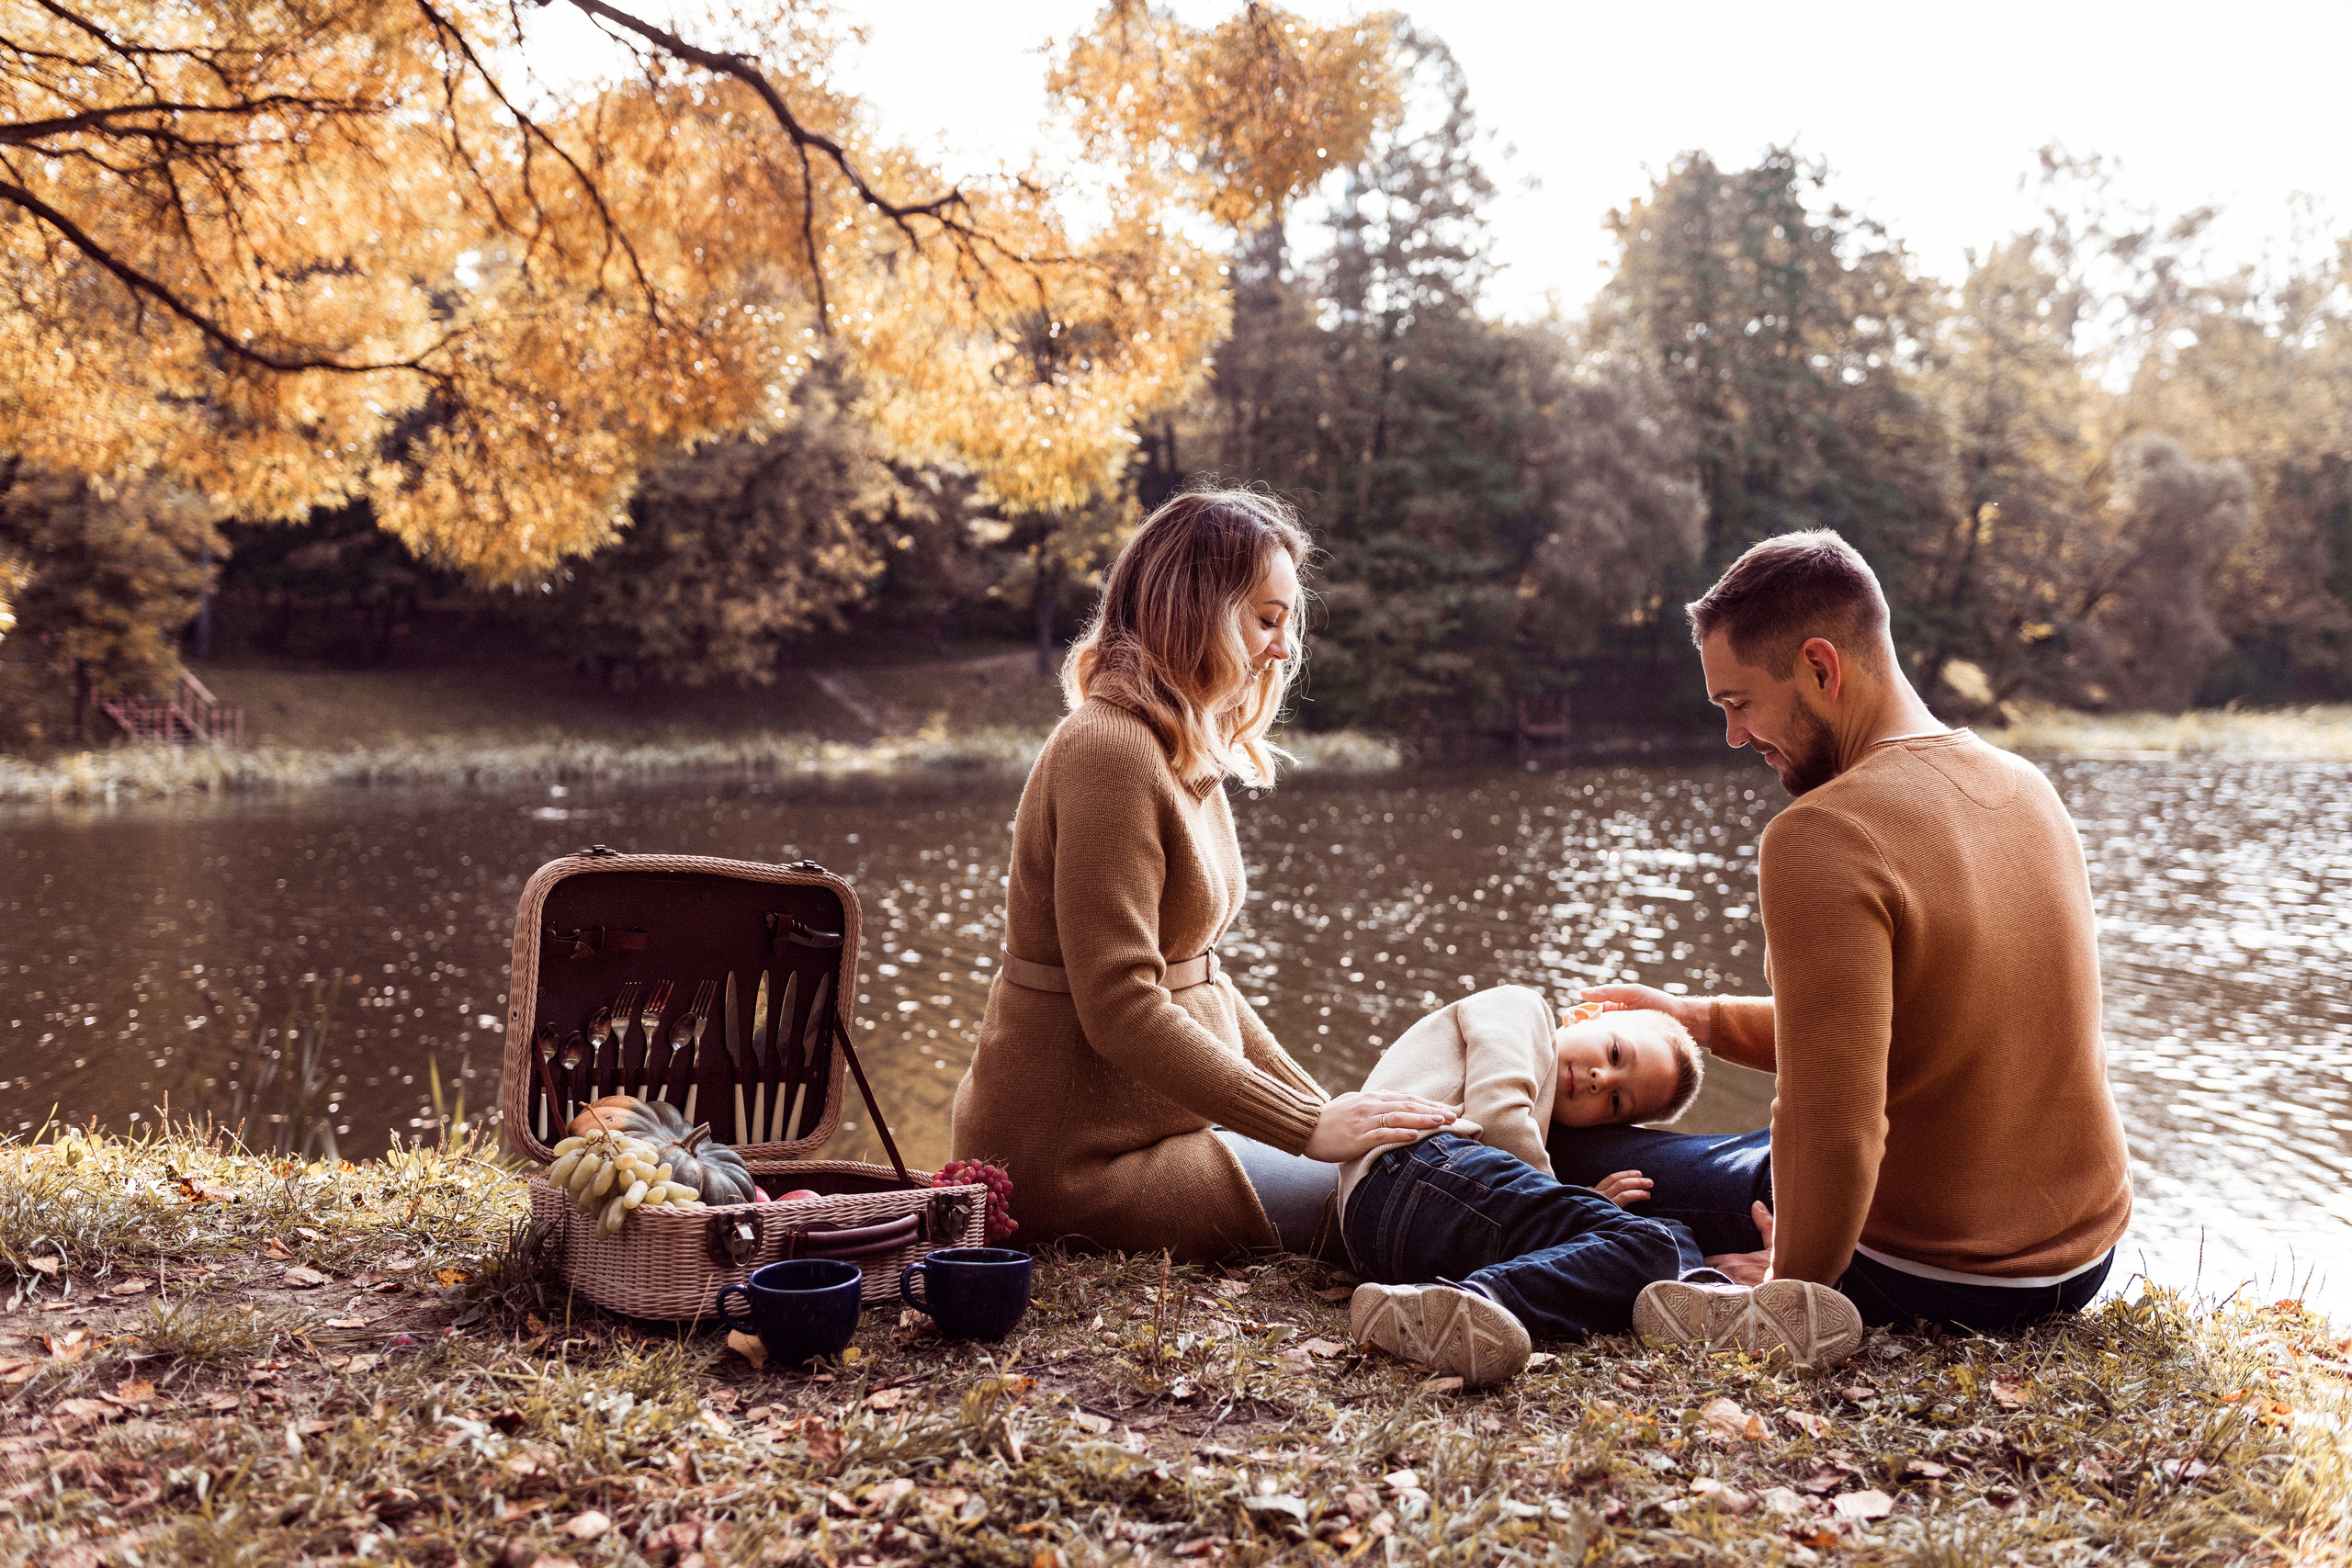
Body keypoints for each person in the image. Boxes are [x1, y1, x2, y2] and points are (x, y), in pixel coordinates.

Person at [1562, 529, 2132, 1339]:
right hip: (2078, 1259)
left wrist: (1795, 1283)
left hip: (1944, 1271)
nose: (1734, 736)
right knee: (1740, 1146)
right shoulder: (2025, 786)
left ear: (1821, 668)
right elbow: (1912, 1027)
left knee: (1585, 1160)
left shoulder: (1823, 832)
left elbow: (1836, 1119)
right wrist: (1699, 1022)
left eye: (1738, 703)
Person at [949, 489, 1456, 1261]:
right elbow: (1122, 1005)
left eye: (1287, 621)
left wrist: (1321, 1108)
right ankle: (1617, 1258)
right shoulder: (1107, 749)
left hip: (1166, 1127)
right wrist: (1308, 1130)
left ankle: (1634, 1232)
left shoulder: (1180, 748)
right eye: (1266, 618)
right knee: (1411, 1196)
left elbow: (1201, 978)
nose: (1283, 648)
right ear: (1196, 609)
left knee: (1406, 1161)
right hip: (1083, 1165)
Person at [1341, 987, 1864, 1385]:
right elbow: (1497, 1114)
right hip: (1418, 1164)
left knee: (1659, 1236)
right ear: (1589, 1015)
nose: (1600, 1080)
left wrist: (1583, 1222)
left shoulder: (1549, 1104)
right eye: (1615, 1054)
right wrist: (1573, 1207)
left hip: (1402, 1235)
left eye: (1615, 1103)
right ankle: (1473, 1300)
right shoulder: (1521, 1008)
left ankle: (1704, 1297)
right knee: (1646, 1240)